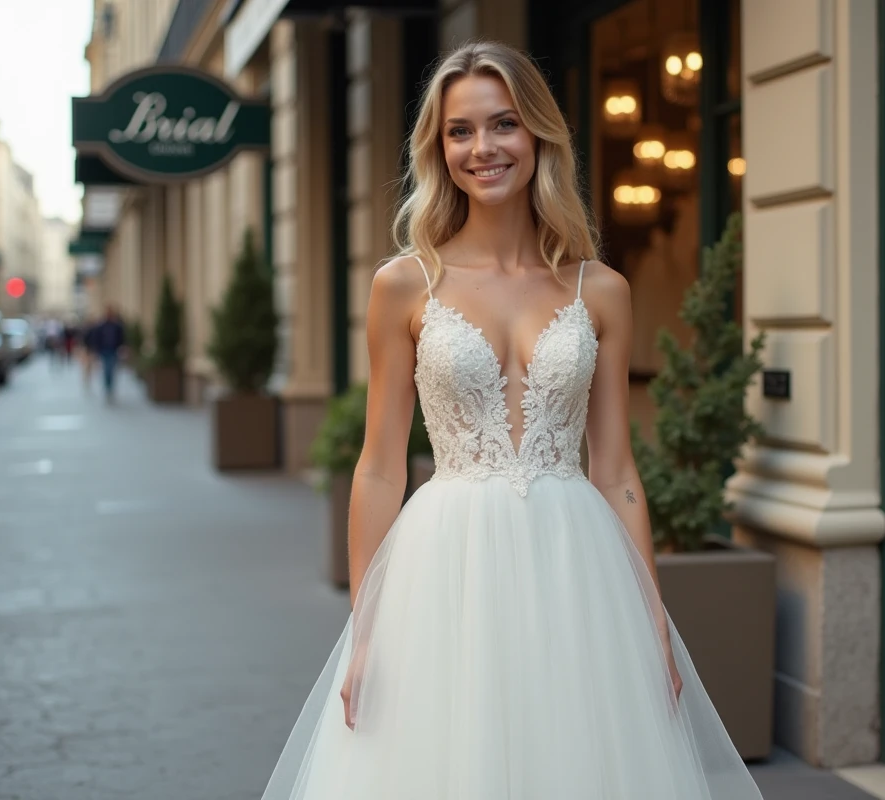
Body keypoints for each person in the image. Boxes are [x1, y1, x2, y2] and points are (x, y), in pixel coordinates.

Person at [259, 42, 764, 800]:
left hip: (577, 569)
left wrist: (651, 617)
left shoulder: (604, 290)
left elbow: (617, 469)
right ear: (439, 148)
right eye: (459, 131)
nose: (482, 148)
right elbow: (379, 465)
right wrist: (364, 628)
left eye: (503, 125)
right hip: (445, 570)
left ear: (538, 137)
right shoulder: (402, 286)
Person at [90, 308, 125, 403]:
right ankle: (107, 389)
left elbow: (121, 338)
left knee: (111, 370)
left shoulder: (117, 326)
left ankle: (110, 388)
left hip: (113, 350)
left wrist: (122, 348)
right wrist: (96, 350)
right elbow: (96, 338)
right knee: (106, 370)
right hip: (104, 351)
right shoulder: (101, 326)